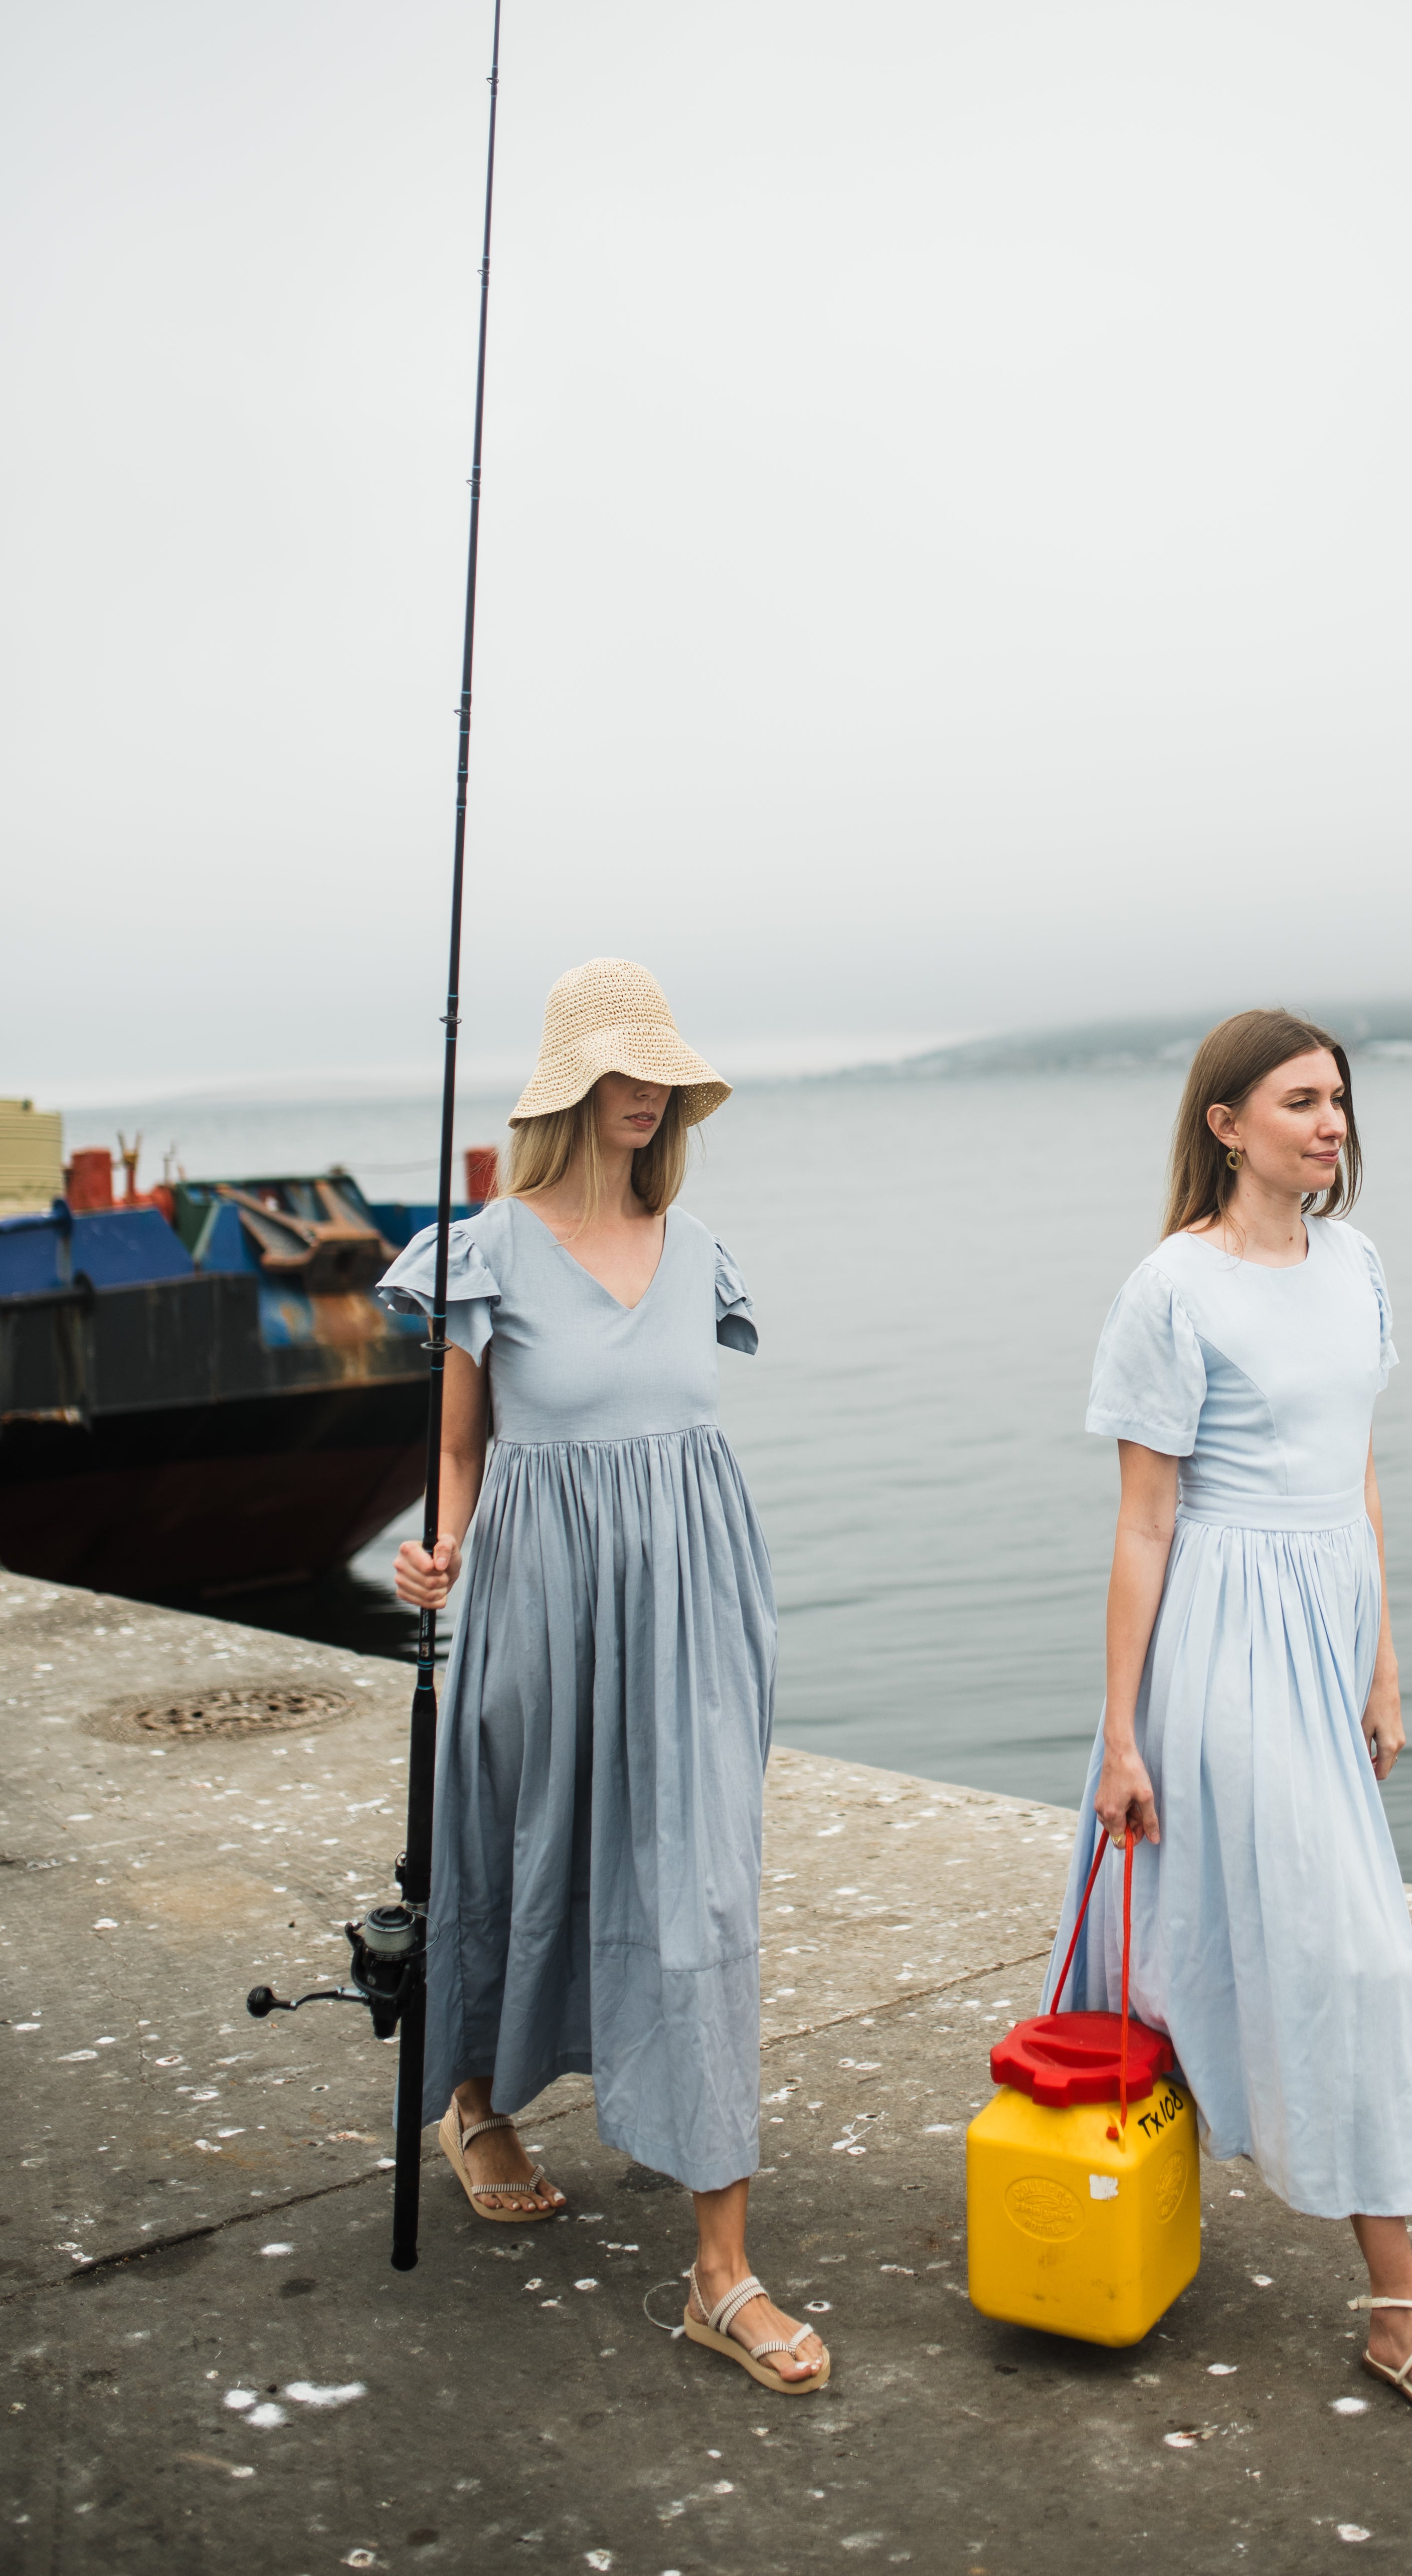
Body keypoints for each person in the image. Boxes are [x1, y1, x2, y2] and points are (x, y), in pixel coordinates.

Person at [1042, 1008, 1412, 2428]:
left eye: (1341, 1101)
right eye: (1303, 1102)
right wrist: (1121, 1735)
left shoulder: (1358, 1264)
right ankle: (1399, 2302)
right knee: (1352, 1957)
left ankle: (1095, 2228)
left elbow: (1360, 1468)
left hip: (1328, 1631)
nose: (1333, 1124)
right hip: (1220, 1640)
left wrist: (1385, 1660)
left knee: (1189, 1943)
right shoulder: (1171, 1291)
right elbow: (1144, 1524)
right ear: (1226, 1124)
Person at [378, 957, 827, 2394]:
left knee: (698, 1897)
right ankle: (471, 2100)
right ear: (570, 1089)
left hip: (697, 1610)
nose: (649, 1096)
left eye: (664, 1076)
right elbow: (462, 1453)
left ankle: (722, 2272)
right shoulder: (483, 1254)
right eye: (624, 1074)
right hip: (540, 1605)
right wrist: (430, 1549)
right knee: (519, 1858)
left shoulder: (701, 1250)